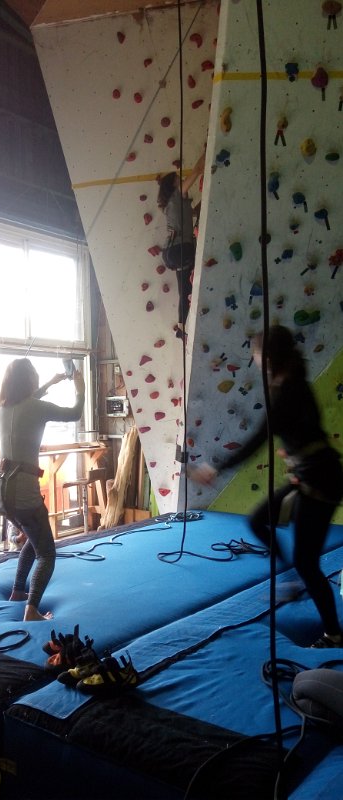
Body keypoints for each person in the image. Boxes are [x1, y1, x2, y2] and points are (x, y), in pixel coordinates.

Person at [189, 325, 343, 648]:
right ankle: (293, 579)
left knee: (307, 562)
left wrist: (215, 467)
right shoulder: (290, 383)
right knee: (259, 521)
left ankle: (334, 633)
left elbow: (259, 438)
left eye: (256, 353)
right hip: (309, 476)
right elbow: (300, 432)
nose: (254, 358)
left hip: (320, 481)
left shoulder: (289, 391)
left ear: (269, 357)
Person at [0, 359, 85, 621]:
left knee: (34, 538)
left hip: (1, 492)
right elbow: (74, 413)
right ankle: (32, 609)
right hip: (24, 492)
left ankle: (17, 591)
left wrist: (52, 382)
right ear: (29, 381)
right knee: (46, 553)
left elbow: (29, 400)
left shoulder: (3, 407)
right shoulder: (35, 407)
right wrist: (80, 389)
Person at [157, 151, 205, 339]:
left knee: (184, 290)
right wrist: (206, 153)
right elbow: (197, 171)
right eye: (179, 179)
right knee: (187, 289)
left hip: (172, 252)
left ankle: (181, 327)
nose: (182, 180)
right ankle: (183, 327)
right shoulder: (176, 195)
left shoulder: (173, 205)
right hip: (181, 249)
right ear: (174, 185)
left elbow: (193, 212)